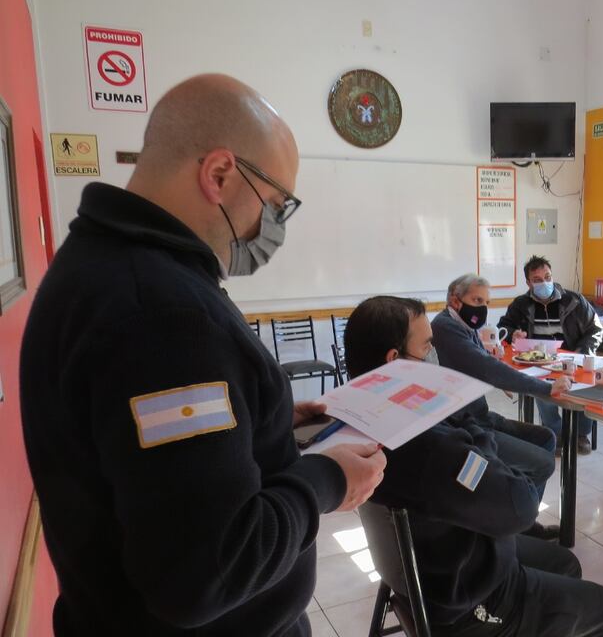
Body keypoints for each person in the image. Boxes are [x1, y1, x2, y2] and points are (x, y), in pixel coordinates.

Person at [19, 75, 386, 635]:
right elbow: (205, 573)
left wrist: (270, 418)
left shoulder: (107, 266)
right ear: (219, 174)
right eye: (276, 205)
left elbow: (143, 452)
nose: (273, 228)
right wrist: (325, 482)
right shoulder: (160, 314)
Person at [347, 296, 603, 637]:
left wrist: (454, 416)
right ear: (394, 361)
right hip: (468, 600)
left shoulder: (360, 421)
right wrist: (476, 432)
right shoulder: (432, 447)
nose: (435, 357)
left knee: (564, 563)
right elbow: (521, 507)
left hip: (425, 567)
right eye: (427, 348)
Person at [432, 273, 571, 539]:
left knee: (544, 437)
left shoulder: (462, 325)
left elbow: (481, 362)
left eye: (485, 301)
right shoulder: (444, 328)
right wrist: (546, 388)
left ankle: (523, 519)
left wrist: (491, 357)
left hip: (479, 414)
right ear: (454, 299)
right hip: (467, 425)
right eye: (476, 299)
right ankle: (520, 530)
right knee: (543, 463)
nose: (482, 307)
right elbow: (485, 367)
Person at [498, 256, 603, 455]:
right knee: (542, 390)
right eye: (537, 280)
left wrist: (580, 354)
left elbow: (595, 330)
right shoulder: (520, 304)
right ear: (528, 283)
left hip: (573, 358)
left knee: (587, 387)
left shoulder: (574, 301)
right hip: (539, 363)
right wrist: (513, 334)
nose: (544, 283)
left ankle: (581, 434)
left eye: (547, 277)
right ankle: (556, 433)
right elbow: (503, 326)